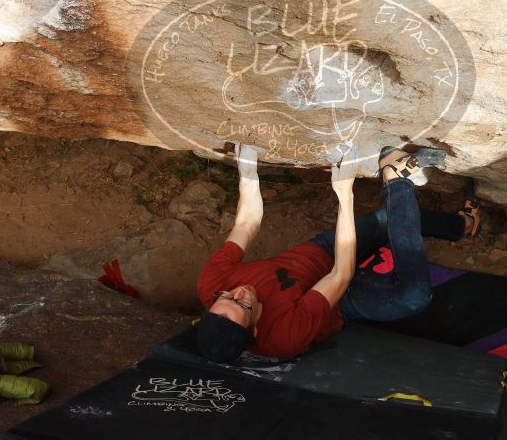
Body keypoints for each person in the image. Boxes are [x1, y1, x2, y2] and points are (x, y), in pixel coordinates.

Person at [195, 143, 481, 363]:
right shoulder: (283, 337)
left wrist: (247, 171)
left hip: (318, 255)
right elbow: (341, 276)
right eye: (243, 306)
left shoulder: (211, 284)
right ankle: (395, 176)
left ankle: (461, 225)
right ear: (254, 331)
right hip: (339, 301)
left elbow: (246, 224)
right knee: (413, 297)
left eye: (226, 297)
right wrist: (345, 194)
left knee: (387, 219)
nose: (240, 292)